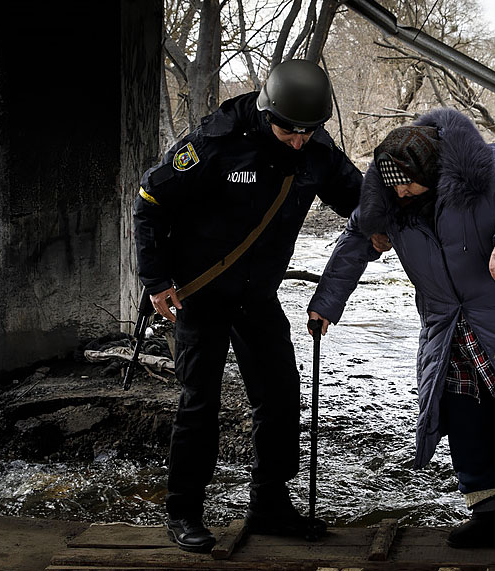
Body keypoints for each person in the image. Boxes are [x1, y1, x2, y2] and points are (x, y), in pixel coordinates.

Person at [307, 108, 495, 550]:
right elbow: (355, 239)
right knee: (466, 419)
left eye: (407, 184)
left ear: (435, 171)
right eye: (391, 185)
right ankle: (489, 512)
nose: (400, 193)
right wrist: (325, 305)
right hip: (450, 324)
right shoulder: (390, 197)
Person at [133, 59, 363, 553]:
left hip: (258, 295)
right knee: (200, 402)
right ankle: (184, 512)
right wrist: (156, 280)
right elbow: (150, 202)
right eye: (289, 131)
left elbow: (361, 201)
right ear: (267, 111)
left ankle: (269, 503)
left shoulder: (315, 150)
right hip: (203, 294)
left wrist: (392, 215)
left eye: (309, 132)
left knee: (280, 396)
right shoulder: (215, 142)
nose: (299, 140)